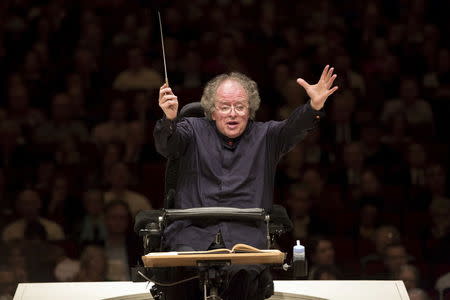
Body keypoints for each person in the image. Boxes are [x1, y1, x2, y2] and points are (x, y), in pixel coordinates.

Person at [153, 66, 338, 299]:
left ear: (249, 110)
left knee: (244, 275)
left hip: (245, 236)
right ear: (211, 111)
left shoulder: (267, 136)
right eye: (225, 107)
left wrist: (314, 106)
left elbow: (294, 127)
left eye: (239, 107)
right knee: (182, 271)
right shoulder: (191, 128)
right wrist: (169, 119)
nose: (232, 113)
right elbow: (167, 146)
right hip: (191, 232)